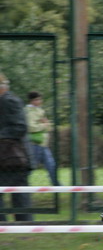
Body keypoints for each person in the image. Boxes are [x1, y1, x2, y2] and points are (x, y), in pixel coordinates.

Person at [0, 72, 33, 222]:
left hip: (15, 159)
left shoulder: (10, 101)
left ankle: (25, 228)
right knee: (20, 195)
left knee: (20, 195)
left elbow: (20, 127)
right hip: (8, 159)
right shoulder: (4, 101)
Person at [25, 91, 60, 186]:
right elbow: (31, 127)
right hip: (34, 144)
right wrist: (44, 124)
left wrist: (45, 124)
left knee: (51, 165)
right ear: (31, 100)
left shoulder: (40, 110)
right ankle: (20, 184)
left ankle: (56, 185)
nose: (40, 101)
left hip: (42, 144)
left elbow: (48, 126)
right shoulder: (29, 112)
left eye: (40, 99)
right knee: (31, 168)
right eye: (37, 99)